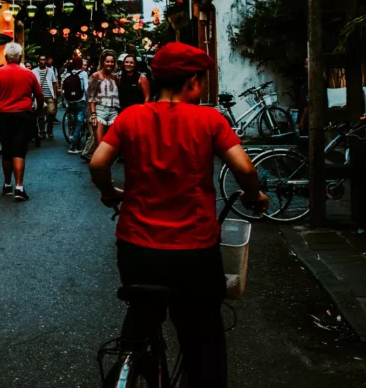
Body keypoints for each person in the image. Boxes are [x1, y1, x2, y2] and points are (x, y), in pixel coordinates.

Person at [89, 42, 270, 388]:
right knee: (203, 336)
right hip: (194, 250)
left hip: (137, 245)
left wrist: (109, 193)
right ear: (193, 83)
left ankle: (132, 354)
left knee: (141, 311)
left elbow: (99, 163)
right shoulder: (209, 119)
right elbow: (245, 167)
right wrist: (254, 195)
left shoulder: (130, 117)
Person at [0, 43, 42, 201]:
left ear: (5, 57)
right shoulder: (29, 74)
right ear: (20, 56)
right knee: (19, 150)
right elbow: (39, 94)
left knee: (7, 150)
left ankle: (7, 184)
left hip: (4, 115)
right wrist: (37, 109)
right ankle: (19, 187)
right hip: (23, 114)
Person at [87, 51, 120, 148]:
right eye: (107, 62)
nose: (110, 64)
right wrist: (93, 115)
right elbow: (91, 96)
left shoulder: (115, 77)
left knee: (110, 145)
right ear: (103, 62)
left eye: (112, 62)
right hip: (100, 111)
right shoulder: (96, 75)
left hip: (114, 112)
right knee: (99, 144)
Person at [61, 57, 89, 154]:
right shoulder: (84, 74)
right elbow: (86, 88)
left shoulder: (68, 74)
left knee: (72, 121)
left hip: (71, 102)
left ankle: (72, 137)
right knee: (80, 123)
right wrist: (89, 100)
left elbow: (64, 88)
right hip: (81, 101)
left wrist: (66, 102)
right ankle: (73, 145)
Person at [31, 55, 60, 142]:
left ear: (46, 61)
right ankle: (42, 132)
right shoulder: (34, 71)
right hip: (39, 96)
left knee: (51, 113)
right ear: (38, 61)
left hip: (49, 95)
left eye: (44, 60)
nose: (42, 61)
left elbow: (54, 82)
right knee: (40, 115)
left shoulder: (51, 71)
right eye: (41, 60)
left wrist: (55, 94)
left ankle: (49, 129)